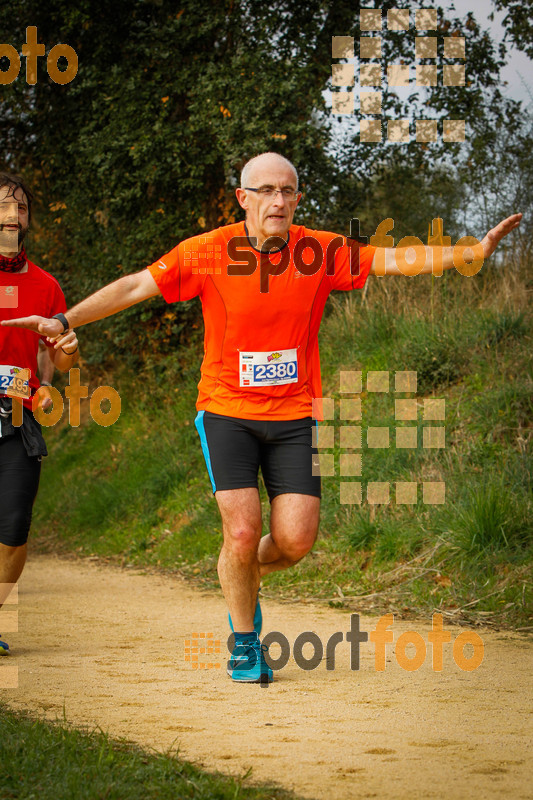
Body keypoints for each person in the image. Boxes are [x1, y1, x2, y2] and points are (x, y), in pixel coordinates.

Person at [2, 153, 521, 682]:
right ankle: (245, 642)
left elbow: (394, 260)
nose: (278, 200)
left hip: (296, 414)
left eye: (288, 191)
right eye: (267, 190)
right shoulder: (207, 252)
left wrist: (470, 253)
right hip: (227, 411)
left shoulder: (320, 251)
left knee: (295, 541)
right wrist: (66, 318)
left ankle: (241, 581)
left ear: (297, 199)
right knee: (244, 530)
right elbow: (136, 286)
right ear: (243, 198)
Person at [0, 173, 79, 655]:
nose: (13, 214)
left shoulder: (46, 286)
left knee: (13, 527)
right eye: (4, 205)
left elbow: (60, 359)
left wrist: (58, 366)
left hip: (17, 416)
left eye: (21, 207)